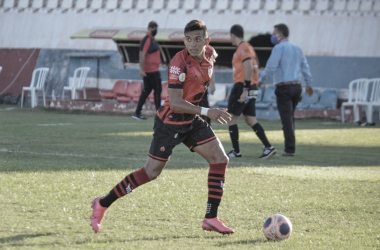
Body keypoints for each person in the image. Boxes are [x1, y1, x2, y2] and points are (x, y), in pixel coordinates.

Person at [91, 20, 234, 235]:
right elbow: (175, 102)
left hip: (191, 119)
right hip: (170, 122)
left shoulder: (210, 53)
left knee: (220, 159)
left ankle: (210, 218)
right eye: (188, 39)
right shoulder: (178, 63)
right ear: (184, 40)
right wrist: (208, 112)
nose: (193, 44)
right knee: (150, 173)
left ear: (207, 41)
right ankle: (102, 203)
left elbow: (209, 64)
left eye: (197, 39)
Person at [258, 23, 313, 156]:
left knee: (286, 119)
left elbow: (271, 67)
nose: (272, 37)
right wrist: (309, 84)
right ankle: (290, 146)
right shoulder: (297, 48)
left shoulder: (279, 48)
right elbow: (305, 67)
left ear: (280, 34)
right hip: (297, 87)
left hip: (284, 87)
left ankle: (289, 149)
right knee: (290, 118)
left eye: (273, 34)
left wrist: (260, 80)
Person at [226, 24, 277, 159]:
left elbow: (249, 68)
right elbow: (251, 68)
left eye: (230, 36)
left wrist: (244, 89)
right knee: (250, 119)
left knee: (231, 118)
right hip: (250, 87)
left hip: (245, 87)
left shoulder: (242, 48)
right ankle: (268, 147)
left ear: (233, 35)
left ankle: (236, 151)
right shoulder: (249, 48)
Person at [132, 21, 162, 120]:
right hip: (152, 71)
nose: (155, 30)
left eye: (156, 28)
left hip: (150, 70)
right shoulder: (147, 39)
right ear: (149, 28)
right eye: (153, 28)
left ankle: (137, 113)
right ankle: (159, 113)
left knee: (146, 91)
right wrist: (141, 69)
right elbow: (142, 53)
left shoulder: (151, 40)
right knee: (158, 90)